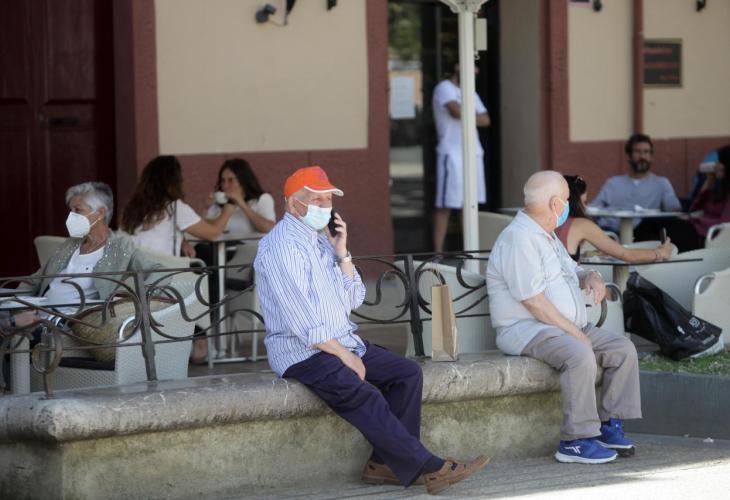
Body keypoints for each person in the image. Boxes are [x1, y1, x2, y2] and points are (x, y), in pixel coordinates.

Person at [254, 165, 488, 494]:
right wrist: (345, 356)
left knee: (407, 374)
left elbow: (354, 298)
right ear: (294, 204)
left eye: (328, 200)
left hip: (340, 341)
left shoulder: (320, 242)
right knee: (362, 393)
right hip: (302, 352)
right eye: (317, 200)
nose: (325, 207)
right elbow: (303, 322)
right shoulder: (281, 247)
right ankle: (430, 467)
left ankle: (383, 465)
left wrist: (342, 253)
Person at [487, 170, 641, 465]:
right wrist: (576, 333)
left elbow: (573, 270)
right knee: (580, 354)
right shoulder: (519, 238)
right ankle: (575, 441)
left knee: (623, 349)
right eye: (567, 200)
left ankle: (608, 426)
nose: (569, 206)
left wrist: (591, 275)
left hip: (561, 326)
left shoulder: (545, 234)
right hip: (528, 329)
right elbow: (533, 301)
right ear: (555, 203)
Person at [12, 182, 163, 330]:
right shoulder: (71, 244)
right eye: (71, 210)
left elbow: (158, 272)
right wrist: (14, 305)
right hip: (38, 318)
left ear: (100, 213)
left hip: (71, 327)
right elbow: (36, 280)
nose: (71, 216)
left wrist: (135, 301)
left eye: (77, 210)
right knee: (8, 326)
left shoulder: (120, 247)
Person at [120, 155, 235, 257]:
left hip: (134, 271)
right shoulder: (174, 207)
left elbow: (154, 233)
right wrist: (230, 206)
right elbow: (213, 234)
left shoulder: (132, 208)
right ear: (174, 182)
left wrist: (182, 241)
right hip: (163, 271)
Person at [432, 63, 490, 253]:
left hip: (474, 153)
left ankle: (469, 252)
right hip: (451, 154)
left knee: (470, 206)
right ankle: (437, 255)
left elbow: (486, 119)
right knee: (445, 206)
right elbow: (455, 111)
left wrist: (466, 114)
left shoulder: (471, 92)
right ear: (458, 66)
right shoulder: (444, 88)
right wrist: (471, 114)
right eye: (473, 66)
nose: (476, 71)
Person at [634, 144, 730, 251]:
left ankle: (631, 253)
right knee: (650, 225)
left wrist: (693, 219)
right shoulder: (720, 189)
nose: (715, 166)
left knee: (653, 225)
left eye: (719, 162)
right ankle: (634, 253)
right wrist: (709, 182)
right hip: (694, 228)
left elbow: (724, 223)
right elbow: (694, 209)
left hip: (704, 236)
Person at [556, 175, 673, 262]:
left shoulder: (550, 222)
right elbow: (627, 255)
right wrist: (660, 252)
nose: (586, 207)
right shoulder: (581, 225)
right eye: (584, 202)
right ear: (575, 202)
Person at [590, 134, 682, 234]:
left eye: (646, 152)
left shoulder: (661, 183)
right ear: (629, 156)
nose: (642, 156)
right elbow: (592, 209)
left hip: (644, 236)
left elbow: (674, 211)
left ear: (651, 156)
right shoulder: (613, 183)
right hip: (609, 233)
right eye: (637, 152)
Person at [194, 158, 276, 263]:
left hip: (247, 253)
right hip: (220, 250)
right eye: (223, 181)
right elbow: (205, 230)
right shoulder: (219, 203)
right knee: (198, 249)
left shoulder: (262, 199)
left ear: (243, 181)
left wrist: (241, 203)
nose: (225, 186)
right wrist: (206, 208)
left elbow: (268, 229)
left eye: (231, 180)